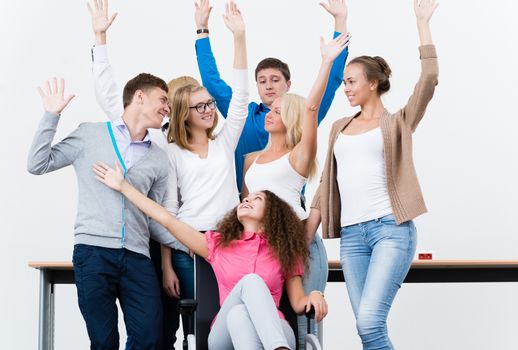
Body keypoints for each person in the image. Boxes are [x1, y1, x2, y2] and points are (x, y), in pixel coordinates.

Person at [308, 0, 439, 348]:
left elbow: (429, 79)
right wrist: (307, 232)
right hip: (352, 238)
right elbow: (325, 184)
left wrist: (422, 23)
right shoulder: (339, 127)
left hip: (390, 232)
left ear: (374, 83)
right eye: (345, 82)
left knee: (369, 321)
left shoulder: (397, 123)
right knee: (369, 331)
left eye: (352, 81)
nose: (347, 87)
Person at [92, 156, 328, 349]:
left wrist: (315, 294)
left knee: (239, 316)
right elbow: (166, 220)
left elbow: (298, 303)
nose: (246, 200)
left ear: (272, 214)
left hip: (274, 329)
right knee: (249, 288)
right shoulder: (218, 244)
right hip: (222, 336)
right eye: (245, 198)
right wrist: (123, 187)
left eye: (257, 199)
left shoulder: (284, 252)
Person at [27, 73, 175, 349]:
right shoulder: (90, 134)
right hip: (93, 252)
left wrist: (190, 242)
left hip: (137, 257)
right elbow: (37, 164)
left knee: (150, 337)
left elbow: (155, 217)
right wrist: (51, 116)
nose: (167, 108)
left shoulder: (158, 158)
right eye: (163, 99)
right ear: (139, 97)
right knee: (104, 342)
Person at [87, 0, 201, 346]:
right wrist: (100, 40)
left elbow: (171, 208)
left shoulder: (194, 146)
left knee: (168, 325)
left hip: (175, 237)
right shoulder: (150, 135)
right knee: (156, 326)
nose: (172, 107)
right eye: (168, 101)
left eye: (179, 101)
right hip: (143, 240)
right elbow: (109, 95)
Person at [242, 30, 349, 348]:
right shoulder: (251, 161)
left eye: (277, 111)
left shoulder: (298, 156)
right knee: (269, 328)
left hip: (301, 246)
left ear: (290, 118)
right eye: (270, 110)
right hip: (264, 250)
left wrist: (327, 61)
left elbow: (312, 109)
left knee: (305, 330)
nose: (270, 113)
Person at [194, 0, 349, 192]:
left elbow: (332, 78)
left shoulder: (302, 114)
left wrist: (340, 21)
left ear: (288, 84)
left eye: (275, 79)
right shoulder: (242, 114)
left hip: (288, 211)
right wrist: (202, 29)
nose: (268, 86)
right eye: (262, 80)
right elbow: (212, 83)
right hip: (245, 209)